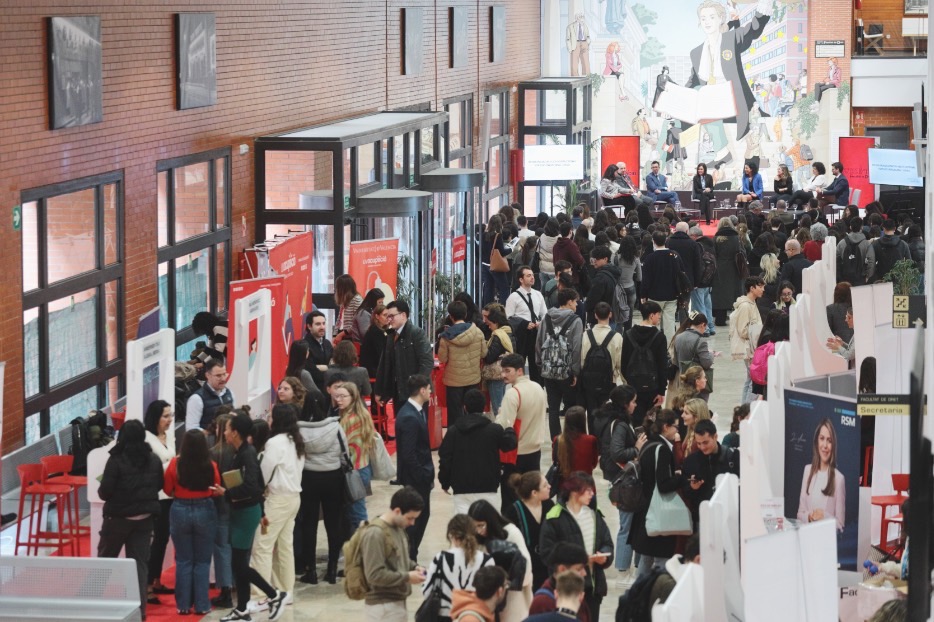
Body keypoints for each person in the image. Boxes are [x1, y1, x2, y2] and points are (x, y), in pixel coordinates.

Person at [220, 411, 288, 622]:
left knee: (240, 565)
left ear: (236, 432)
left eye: (227, 428)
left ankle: (274, 594)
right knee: (238, 564)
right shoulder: (242, 452)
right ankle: (242, 609)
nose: (224, 432)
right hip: (245, 511)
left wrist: (226, 493)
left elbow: (251, 486)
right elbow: (257, 484)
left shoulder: (247, 454)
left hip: (246, 513)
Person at [98, 419, 164, 620]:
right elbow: (159, 484)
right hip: (145, 519)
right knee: (140, 566)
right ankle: (140, 612)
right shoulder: (153, 459)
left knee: (104, 562)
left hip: (118, 519)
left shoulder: (116, 460)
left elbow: (105, 492)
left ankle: (91, 603)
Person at [247, 405, 304, 612]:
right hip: (293, 498)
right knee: (284, 546)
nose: (268, 419)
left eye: (270, 416)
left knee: (262, 546)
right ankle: (285, 591)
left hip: (277, 500)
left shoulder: (274, 443)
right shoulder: (295, 440)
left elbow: (264, 472)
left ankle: (262, 595)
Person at [164, 430, 224, 616]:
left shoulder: (175, 463)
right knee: (202, 561)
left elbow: (167, 489)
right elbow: (216, 489)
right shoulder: (211, 465)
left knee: (183, 560)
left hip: (180, 509)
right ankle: (202, 604)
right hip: (205, 509)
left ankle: (183, 605)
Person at [540, 472, 614, 621]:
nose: (592, 494)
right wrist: (575, 562)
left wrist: (604, 556)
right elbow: (547, 553)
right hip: (566, 588)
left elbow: (607, 543)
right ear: (574, 492)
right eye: (588, 490)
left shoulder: (595, 515)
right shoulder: (555, 517)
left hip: (593, 588)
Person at [297, 394, 348, 584]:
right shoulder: (335, 427)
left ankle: (310, 571)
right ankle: (333, 568)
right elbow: (345, 454)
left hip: (308, 478)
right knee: (334, 523)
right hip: (333, 478)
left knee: (308, 524)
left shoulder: (298, 430)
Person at [439, 388, 516, 513]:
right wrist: (509, 429)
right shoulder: (494, 430)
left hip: (461, 490)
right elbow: (510, 445)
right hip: (488, 487)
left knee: (464, 529)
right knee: (489, 528)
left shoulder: (453, 431)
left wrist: (445, 482)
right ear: (484, 407)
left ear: (465, 407)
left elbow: (445, 458)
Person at [630, 409, 685, 577]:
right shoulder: (661, 450)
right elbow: (663, 484)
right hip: (658, 510)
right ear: (666, 427)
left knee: (647, 557)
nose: (677, 431)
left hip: (647, 508)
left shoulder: (649, 444)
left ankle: (638, 594)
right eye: (675, 427)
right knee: (660, 559)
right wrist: (680, 478)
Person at [359, 486, 426, 621]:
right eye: (410, 518)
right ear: (397, 511)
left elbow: (399, 558)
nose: (412, 523)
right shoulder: (375, 533)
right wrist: (407, 577)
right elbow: (374, 575)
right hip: (381, 606)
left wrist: (414, 567)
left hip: (396, 602)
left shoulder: (399, 528)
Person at [496, 353, 548, 511]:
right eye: (503, 371)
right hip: (535, 451)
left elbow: (503, 426)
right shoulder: (538, 387)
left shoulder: (513, 393)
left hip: (515, 455)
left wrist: (500, 413)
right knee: (532, 498)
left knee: (511, 501)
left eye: (507, 371)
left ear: (519, 371)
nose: (503, 375)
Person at [467, 499, 534, 622]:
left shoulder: (511, 533)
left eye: (481, 525)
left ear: (490, 521)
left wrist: (506, 581)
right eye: (474, 527)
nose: (478, 531)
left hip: (512, 600)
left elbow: (526, 567)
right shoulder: (474, 539)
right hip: (486, 602)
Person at [423, 515, 495, 621]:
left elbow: (427, 591)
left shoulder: (441, 558)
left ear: (451, 535)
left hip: (445, 615)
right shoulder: (487, 560)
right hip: (475, 615)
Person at [395, 374, 435, 561]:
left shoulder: (416, 411)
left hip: (418, 476)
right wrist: (422, 475)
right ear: (422, 390)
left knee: (421, 517)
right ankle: (410, 556)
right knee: (416, 519)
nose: (430, 392)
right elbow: (408, 453)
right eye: (428, 388)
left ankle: (412, 554)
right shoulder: (410, 416)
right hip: (415, 479)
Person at [536, 288, 584, 440]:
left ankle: (555, 442)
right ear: (569, 302)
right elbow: (577, 347)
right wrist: (576, 371)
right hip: (567, 370)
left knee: (553, 408)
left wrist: (540, 363)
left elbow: (539, 341)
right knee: (571, 406)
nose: (577, 304)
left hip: (548, 369)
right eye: (575, 301)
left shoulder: (547, 318)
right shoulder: (576, 320)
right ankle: (571, 440)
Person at [142, 400, 176, 605]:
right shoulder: (147, 439)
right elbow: (152, 469)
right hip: (157, 497)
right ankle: (146, 585)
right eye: (165, 416)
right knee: (155, 542)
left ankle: (156, 580)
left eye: (171, 415)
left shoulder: (169, 436)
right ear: (155, 417)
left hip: (171, 495)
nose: (170, 420)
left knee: (163, 540)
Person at [333, 381, 377, 530]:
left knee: (357, 515)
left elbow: (340, 448)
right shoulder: (362, 414)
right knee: (356, 512)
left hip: (353, 472)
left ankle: (364, 547)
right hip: (363, 467)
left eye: (342, 396)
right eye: (336, 396)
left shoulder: (349, 420)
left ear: (353, 397)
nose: (338, 400)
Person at [374, 300, 433, 409]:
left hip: (416, 392)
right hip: (398, 392)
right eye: (388, 316)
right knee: (401, 423)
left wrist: (418, 387)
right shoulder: (391, 336)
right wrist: (379, 390)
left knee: (415, 424)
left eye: (392, 316)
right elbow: (384, 365)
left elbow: (427, 362)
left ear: (403, 315)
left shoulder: (416, 333)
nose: (389, 320)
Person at [438, 300, 488, 427]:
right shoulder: (477, 332)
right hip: (473, 378)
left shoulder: (446, 336)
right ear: (465, 314)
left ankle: (456, 442)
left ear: (451, 316)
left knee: (454, 415)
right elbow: (484, 354)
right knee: (473, 412)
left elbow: (442, 359)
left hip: (453, 381)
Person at [503, 471, 554, 591]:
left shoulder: (549, 505)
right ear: (534, 493)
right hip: (526, 570)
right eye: (545, 485)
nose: (549, 487)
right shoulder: (513, 511)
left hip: (548, 568)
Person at [622, 301, 669, 427]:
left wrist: (630, 381)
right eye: (658, 314)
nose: (659, 317)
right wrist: (662, 391)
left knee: (635, 420)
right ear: (651, 315)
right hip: (653, 387)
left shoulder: (628, 334)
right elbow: (662, 366)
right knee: (652, 422)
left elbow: (623, 363)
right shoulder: (659, 337)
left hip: (634, 386)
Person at [797, 418, 846, 531]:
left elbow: (840, 525)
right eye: (822, 438)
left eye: (829, 440)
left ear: (833, 445)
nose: (825, 445)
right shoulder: (807, 471)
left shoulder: (839, 479)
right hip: (807, 539)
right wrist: (809, 517)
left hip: (826, 544)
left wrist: (824, 516)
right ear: (816, 441)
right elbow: (800, 513)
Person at [640, 230, 687, 340]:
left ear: (653, 241)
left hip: (654, 296)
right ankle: (669, 348)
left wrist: (643, 295)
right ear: (666, 240)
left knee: (652, 321)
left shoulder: (650, 258)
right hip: (672, 295)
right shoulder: (675, 255)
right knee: (670, 322)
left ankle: (654, 344)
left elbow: (646, 280)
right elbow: (682, 274)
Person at [210, 412, 237, 609]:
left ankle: (225, 589)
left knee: (222, 549)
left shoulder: (213, 453)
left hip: (219, 505)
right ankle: (235, 583)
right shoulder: (239, 451)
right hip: (237, 504)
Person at [506, 265, 549, 382]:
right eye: (528, 275)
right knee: (519, 362)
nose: (532, 278)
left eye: (532, 275)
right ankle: (519, 387)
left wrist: (541, 322)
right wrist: (524, 324)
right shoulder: (513, 297)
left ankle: (537, 388)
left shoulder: (538, 294)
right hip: (521, 333)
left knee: (536, 362)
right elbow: (508, 317)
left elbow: (545, 313)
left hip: (536, 331)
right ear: (521, 279)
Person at [529, 543, 592, 621]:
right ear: (562, 569)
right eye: (579, 569)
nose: (584, 573)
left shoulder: (576, 593)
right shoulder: (543, 601)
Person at [730, 276, 765, 404]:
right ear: (752, 288)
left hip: (752, 346)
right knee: (753, 380)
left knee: (750, 379)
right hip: (749, 347)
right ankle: (747, 409)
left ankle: (744, 407)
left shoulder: (752, 303)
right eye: (760, 286)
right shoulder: (745, 306)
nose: (763, 289)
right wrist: (757, 333)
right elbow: (743, 330)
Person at [185, 359, 234, 436]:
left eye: (224, 374)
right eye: (218, 375)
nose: (223, 378)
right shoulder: (196, 399)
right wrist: (210, 433)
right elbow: (191, 429)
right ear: (208, 375)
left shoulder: (230, 393)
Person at [482, 305, 515, 415]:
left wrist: (484, 346)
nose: (489, 327)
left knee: (498, 408)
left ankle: (501, 429)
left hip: (495, 374)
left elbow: (490, 357)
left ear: (496, 322)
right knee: (502, 404)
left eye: (490, 324)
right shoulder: (509, 331)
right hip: (503, 372)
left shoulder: (498, 335)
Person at [712, 217, 744, 326]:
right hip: (734, 268)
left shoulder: (717, 238)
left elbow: (713, 254)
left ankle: (720, 319)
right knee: (735, 293)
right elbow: (742, 252)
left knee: (721, 295)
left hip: (720, 268)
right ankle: (739, 319)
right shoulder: (736, 237)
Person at [865, 219, 913, 283]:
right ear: (895, 228)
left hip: (881, 278)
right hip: (898, 279)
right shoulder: (903, 244)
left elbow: (872, 261)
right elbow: (909, 262)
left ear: (883, 229)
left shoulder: (876, 244)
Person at [285, 341, 326, 412]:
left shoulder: (289, 371)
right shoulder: (304, 373)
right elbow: (317, 393)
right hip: (304, 409)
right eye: (307, 351)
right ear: (305, 354)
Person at [481, 214, 510, 306]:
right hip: (495, 265)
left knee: (488, 288)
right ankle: (503, 307)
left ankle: (487, 308)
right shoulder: (498, 236)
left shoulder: (484, 234)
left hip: (485, 264)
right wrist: (511, 249)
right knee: (504, 287)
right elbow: (501, 252)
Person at [616, 236, 642, 331]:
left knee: (618, 313)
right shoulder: (636, 259)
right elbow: (639, 278)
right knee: (629, 315)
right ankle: (627, 335)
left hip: (618, 288)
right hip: (630, 287)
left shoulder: (616, 258)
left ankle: (618, 335)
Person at [303, 310, 333, 392]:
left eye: (323, 323)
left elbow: (335, 366)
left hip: (329, 388)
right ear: (309, 326)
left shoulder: (327, 343)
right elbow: (311, 371)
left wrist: (325, 367)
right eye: (318, 324)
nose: (322, 327)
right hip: (312, 390)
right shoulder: (304, 346)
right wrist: (329, 368)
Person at [836, 217, 871, 286]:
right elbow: (871, 260)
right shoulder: (866, 244)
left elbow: (837, 259)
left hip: (845, 280)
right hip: (861, 279)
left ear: (850, 227)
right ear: (862, 227)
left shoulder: (842, 243)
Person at [360, 302, 390, 377]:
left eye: (388, 316)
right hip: (373, 369)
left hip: (375, 367)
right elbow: (381, 353)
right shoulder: (375, 332)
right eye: (384, 315)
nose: (388, 318)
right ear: (377, 316)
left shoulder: (379, 330)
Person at [334, 273, 363, 342]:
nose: (336, 289)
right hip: (342, 334)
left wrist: (342, 334)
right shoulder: (344, 300)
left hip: (350, 337)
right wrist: (334, 335)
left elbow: (356, 323)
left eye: (337, 287)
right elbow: (339, 320)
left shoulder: (356, 300)